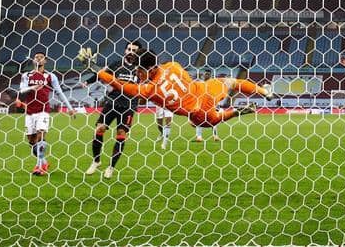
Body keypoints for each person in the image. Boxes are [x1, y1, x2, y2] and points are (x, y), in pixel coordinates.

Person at [94, 51, 271, 127]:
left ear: (150, 69)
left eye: (139, 70)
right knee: (231, 82)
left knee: (210, 121)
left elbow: (120, 85)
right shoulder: (173, 65)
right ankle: (263, 91)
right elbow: (183, 79)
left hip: (198, 113)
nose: (137, 74)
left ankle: (235, 112)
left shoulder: (150, 90)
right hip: (205, 90)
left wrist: (98, 71)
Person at [78, 41, 143, 178]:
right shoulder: (116, 64)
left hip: (129, 106)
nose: (131, 52)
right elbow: (102, 74)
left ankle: (111, 167)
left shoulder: (141, 68)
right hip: (112, 102)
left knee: (121, 134)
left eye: (134, 50)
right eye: (129, 49)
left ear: (139, 53)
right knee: (99, 128)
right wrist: (87, 81)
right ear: (125, 51)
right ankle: (96, 161)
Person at [15, 51, 76, 176]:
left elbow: (59, 92)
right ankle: (44, 162)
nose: (38, 59)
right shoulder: (26, 75)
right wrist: (33, 88)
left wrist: (69, 108)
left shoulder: (50, 76)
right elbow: (22, 90)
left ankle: (39, 167)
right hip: (30, 111)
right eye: (36, 57)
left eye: (41, 57)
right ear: (33, 60)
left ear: (45, 60)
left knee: (41, 136)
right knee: (31, 141)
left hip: (43, 110)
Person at [194, 70, 220, 142]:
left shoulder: (213, 84)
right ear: (203, 75)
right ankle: (199, 136)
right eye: (206, 74)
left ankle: (215, 136)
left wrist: (217, 104)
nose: (207, 75)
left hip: (211, 104)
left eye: (208, 74)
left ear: (210, 75)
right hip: (202, 104)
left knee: (214, 120)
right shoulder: (200, 84)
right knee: (199, 120)